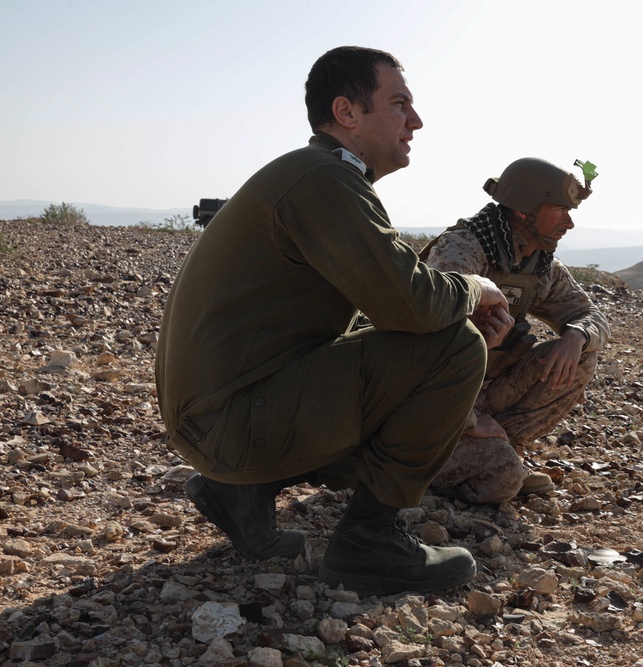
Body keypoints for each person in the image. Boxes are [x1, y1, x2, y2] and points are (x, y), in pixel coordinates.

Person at [154, 46, 514, 597]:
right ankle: (369, 543)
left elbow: (389, 309)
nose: (414, 121)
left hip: (219, 416)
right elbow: (414, 302)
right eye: (399, 104)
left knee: (430, 341)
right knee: (456, 347)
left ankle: (241, 492)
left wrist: (439, 318)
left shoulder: (319, 174)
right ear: (347, 112)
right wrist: (475, 290)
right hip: (229, 423)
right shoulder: (324, 179)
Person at [420, 158, 610, 504]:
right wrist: (467, 421)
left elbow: (589, 314)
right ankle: (424, 465)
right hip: (428, 401)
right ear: (525, 211)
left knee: (581, 356)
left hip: (476, 392)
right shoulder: (461, 250)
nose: (569, 222)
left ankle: (498, 449)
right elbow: (426, 348)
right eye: (561, 210)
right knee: (504, 481)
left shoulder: (538, 262)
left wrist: (575, 336)